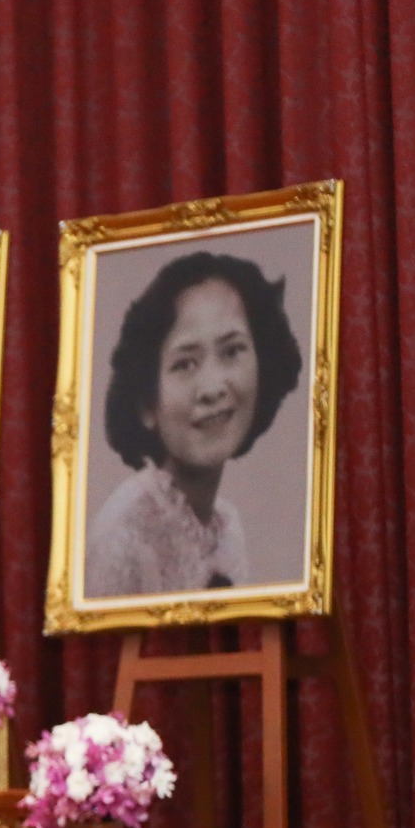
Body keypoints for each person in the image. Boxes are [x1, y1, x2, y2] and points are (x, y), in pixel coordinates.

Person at [86, 250, 303, 598]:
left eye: (232, 351)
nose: (214, 387)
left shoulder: (226, 528)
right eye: (185, 364)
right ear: (146, 403)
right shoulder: (122, 537)